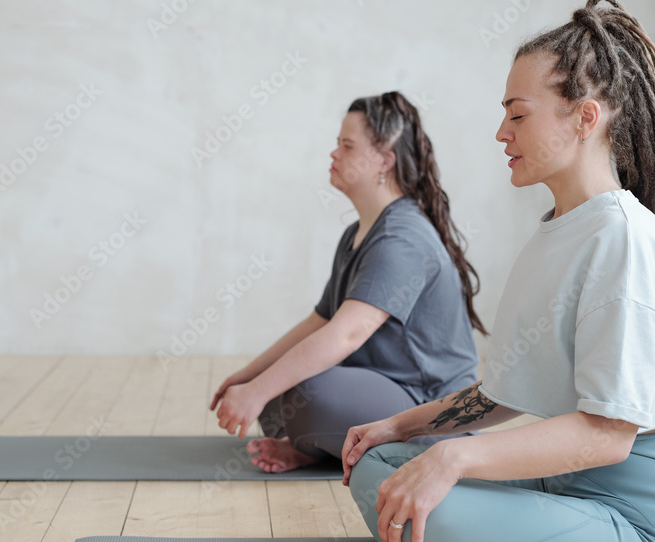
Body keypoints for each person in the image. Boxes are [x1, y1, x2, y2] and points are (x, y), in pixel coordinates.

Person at [334, 0, 655, 542]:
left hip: (638, 530)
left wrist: (454, 458)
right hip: (560, 493)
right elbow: (502, 393)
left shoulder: (624, 238)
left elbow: (609, 436)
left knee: (433, 490)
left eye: (518, 115)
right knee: (379, 465)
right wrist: (398, 428)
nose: (501, 134)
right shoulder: (559, 230)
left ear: (585, 117)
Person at [209, 91, 488, 473]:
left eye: (347, 145)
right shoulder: (357, 234)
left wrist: (258, 391)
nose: (333, 154)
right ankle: (318, 446)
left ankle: (318, 444)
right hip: (384, 387)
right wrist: (250, 376)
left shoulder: (402, 238)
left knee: (303, 391)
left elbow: (345, 336)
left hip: (432, 412)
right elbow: (320, 322)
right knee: (278, 381)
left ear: (384, 161)